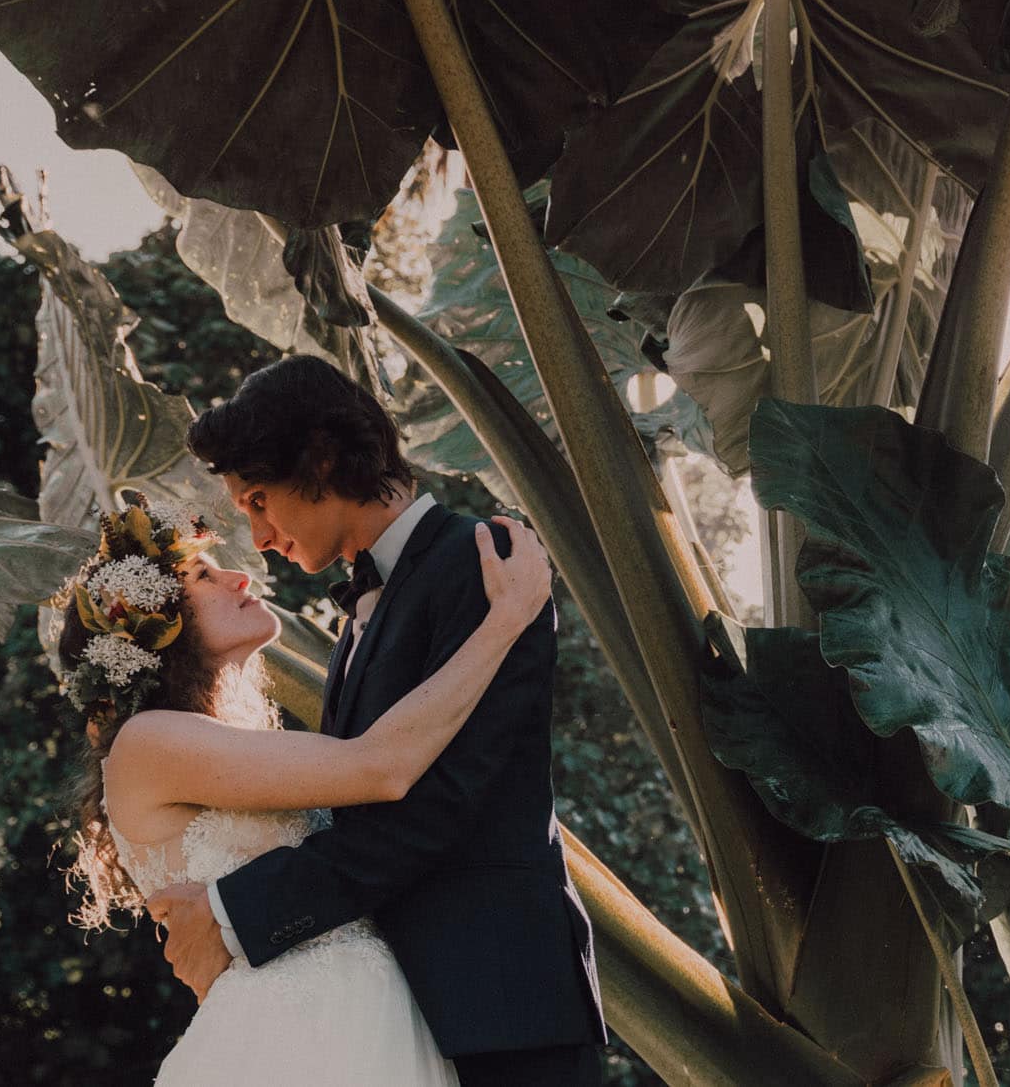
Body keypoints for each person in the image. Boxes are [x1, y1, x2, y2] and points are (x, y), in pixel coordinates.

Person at [147, 355, 609, 1087]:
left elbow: (437, 805)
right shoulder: (364, 604)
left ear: (323, 460)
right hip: (412, 1015)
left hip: (502, 1002)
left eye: (260, 500)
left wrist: (235, 913)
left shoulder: (480, 563)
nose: (260, 536)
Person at [60, 486, 558, 1087]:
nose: (239, 579)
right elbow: (382, 767)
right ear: (154, 625)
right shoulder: (147, 742)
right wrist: (504, 622)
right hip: (296, 1038)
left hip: (374, 1017)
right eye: (203, 576)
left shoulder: (227, 737)